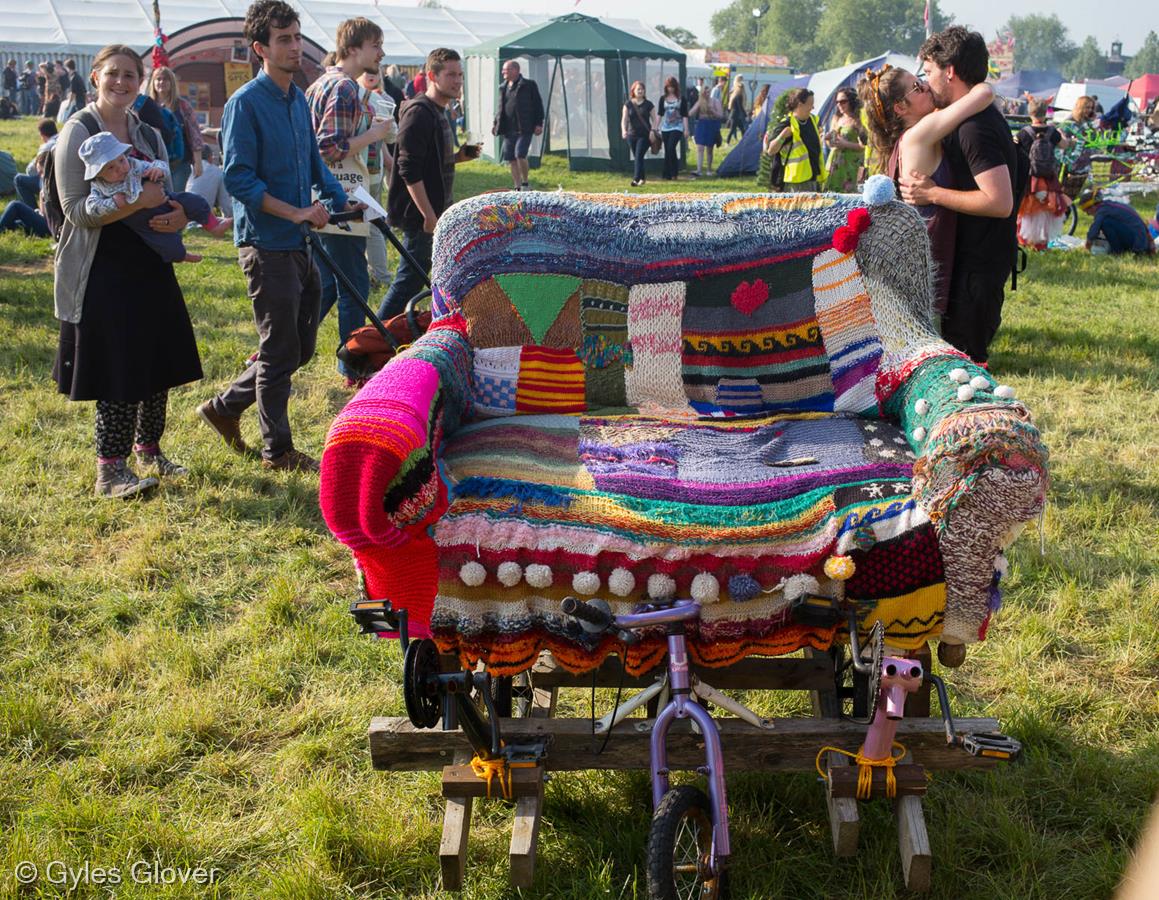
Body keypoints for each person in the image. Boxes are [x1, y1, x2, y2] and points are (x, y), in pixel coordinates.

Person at [199, 0, 350, 473]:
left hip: (299, 241)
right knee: (280, 349)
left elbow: (311, 160)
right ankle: (277, 451)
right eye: (284, 39)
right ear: (260, 48)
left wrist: (338, 195)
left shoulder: (298, 99)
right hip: (265, 244)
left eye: (297, 37)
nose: (295, 47)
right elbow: (239, 179)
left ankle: (224, 408)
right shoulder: (245, 104)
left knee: (297, 348)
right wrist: (298, 212)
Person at [52, 44, 203, 498]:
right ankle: (110, 470)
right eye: (112, 73)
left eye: (130, 75)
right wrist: (136, 203)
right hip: (102, 264)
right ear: (95, 77)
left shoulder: (148, 132)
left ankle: (149, 450)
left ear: (141, 81)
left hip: (149, 260)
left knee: (157, 357)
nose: (121, 82)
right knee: (119, 363)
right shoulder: (78, 131)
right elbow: (75, 210)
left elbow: (167, 192)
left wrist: (178, 216)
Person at [900, 26, 1017, 366]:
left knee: (966, 368)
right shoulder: (968, 118)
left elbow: (999, 202)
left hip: (977, 267)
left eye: (929, 72)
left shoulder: (974, 129)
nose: (927, 81)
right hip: (971, 263)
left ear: (949, 71)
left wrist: (933, 192)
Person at [859, 66, 995, 315]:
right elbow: (984, 95)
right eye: (916, 87)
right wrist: (979, 79)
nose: (926, 86)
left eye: (921, 80)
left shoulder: (909, 137)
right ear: (900, 108)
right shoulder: (919, 135)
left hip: (914, 255)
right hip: (927, 254)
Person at [305, 16, 393, 385]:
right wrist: (374, 134)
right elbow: (329, 148)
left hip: (322, 197)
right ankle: (353, 368)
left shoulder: (320, 83)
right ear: (354, 48)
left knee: (326, 284)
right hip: (340, 197)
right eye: (376, 46)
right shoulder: (343, 87)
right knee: (354, 287)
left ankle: (282, 345)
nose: (381, 53)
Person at [376, 48, 480, 320]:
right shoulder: (419, 113)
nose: (458, 81)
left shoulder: (438, 111)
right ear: (432, 76)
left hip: (437, 213)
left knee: (420, 278)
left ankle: (401, 331)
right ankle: (373, 338)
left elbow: (429, 162)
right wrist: (428, 215)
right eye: (451, 75)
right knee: (408, 281)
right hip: (421, 217)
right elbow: (408, 169)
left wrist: (458, 157)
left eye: (460, 75)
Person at [77, 131, 231, 262]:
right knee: (164, 243)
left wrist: (158, 170)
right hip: (141, 220)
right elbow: (91, 207)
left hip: (165, 199)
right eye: (110, 168)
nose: (120, 168)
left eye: (121, 160)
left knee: (194, 201)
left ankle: (213, 225)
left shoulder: (134, 164)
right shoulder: (99, 186)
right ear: (98, 173)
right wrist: (112, 202)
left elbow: (160, 164)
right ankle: (182, 255)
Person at [1015, 98, 1071, 250]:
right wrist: (1062, 135)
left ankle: (1023, 241)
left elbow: (1013, 148)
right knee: (1045, 211)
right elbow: (1064, 145)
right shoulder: (1052, 132)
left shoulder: (1024, 133)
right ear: (1045, 112)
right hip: (1048, 178)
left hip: (1029, 178)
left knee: (1026, 211)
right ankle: (1041, 244)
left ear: (1030, 112)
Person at [358, 67, 395, 292]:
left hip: (370, 175)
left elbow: (391, 136)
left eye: (374, 72)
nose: (371, 76)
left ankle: (379, 275)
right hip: (357, 175)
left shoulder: (382, 99)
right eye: (367, 72)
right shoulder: (355, 96)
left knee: (372, 225)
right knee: (366, 225)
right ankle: (373, 276)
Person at [144, 66, 204, 191]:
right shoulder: (146, 105)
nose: (161, 82)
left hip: (179, 163)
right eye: (158, 79)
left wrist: (198, 161)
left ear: (172, 83)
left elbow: (194, 134)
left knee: (174, 196)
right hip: (153, 162)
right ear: (153, 82)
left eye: (165, 79)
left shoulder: (182, 105)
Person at [492, 60, 544, 191]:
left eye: (506, 70)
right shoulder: (503, 87)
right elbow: (500, 108)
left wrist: (539, 123)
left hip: (525, 128)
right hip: (508, 129)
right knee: (511, 158)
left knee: (520, 154)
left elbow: (538, 105)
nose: (503, 72)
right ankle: (517, 186)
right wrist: (495, 123)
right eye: (503, 70)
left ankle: (525, 183)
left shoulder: (529, 85)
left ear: (515, 70)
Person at [763, 88, 827, 191]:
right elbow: (771, 150)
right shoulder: (786, 123)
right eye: (810, 104)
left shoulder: (812, 120)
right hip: (795, 181)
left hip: (813, 177)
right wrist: (782, 136)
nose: (813, 107)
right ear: (800, 105)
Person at [1079, 189, 1156, 255]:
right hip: (1142, 241)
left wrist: (1088, 244)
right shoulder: (1110, 205)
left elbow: (1094, 230)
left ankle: (1117, 252)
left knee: (1105, 223)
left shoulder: (1102, 211)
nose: (1088, 214)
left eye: (1087, 211)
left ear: (1093, 206)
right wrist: (1150, 241)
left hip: (1137, 243)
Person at [824, 88, 867, 193]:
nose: (839, 104)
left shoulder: (859, 120)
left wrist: (846, 144)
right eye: (837, 102)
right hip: (835, 164)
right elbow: (832, 145)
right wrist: (828, 139)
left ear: (851, 101)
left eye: (843, 101)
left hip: (852, 166)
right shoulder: (836, 118)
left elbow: (865, 146)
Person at [621, 80, 656, 187]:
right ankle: (642, 178)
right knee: (638, 157)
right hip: (631, 135)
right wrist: (624, 130)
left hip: (645, 135)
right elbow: (624, 119)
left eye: (642, 89)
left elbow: (655, 120)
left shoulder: (649, 104)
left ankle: (636, 179)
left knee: (638, 155)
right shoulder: (628, 104)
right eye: (638, 89)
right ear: (633, 91)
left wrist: (653, 131)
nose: (640, 91)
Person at [657, 76, 689, 181]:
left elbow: (685, 115)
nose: (670, 89)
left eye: (672, 86)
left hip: (677, 127)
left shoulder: (681, 99)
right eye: (668, 87)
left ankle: (673, 172)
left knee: (671, 147)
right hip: (665, 128)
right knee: (668, 150)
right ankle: (668, 174)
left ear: (676, 87)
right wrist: (655, 127)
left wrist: (686, 129)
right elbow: (660, 114)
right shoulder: (663, 99)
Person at [186, 144, 232, 215]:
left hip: (185, 214)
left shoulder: (191, 170)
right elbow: (226, 206)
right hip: (202, 216)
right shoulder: (217, 172)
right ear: (210, 157)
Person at [691, 88, 723, 177]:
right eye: (705, 92)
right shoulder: (700, 102)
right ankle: (699, 170)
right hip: (702, 124)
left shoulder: (715, 101)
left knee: (709, 148)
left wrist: (713, 111)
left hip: (712, 124)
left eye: (708, 92)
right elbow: (691, 112)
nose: (707, 94)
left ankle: (709, 169)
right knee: (700, 147)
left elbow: (721, 115)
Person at [725, 75, 747, 143]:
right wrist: (745, 114)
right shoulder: (739, 96)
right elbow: (740, 107)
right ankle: (727, 142)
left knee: (741, 129)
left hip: (734, 115)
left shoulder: (734, 95)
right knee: (733, 130)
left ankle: (743, 142)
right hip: (736, 115)